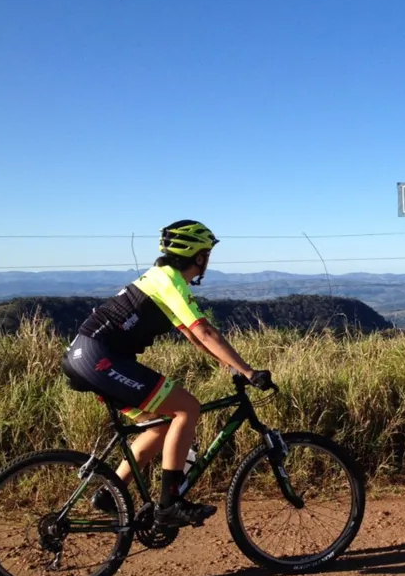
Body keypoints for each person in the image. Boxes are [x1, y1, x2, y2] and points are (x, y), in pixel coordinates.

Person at [61, 220, 272, 527]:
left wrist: (229, 366)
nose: (208, 261)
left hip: (86, 357)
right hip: (100, 359)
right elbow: (206, 331)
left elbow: (191, 333)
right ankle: (169, 503)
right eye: (207, 254)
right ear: (199, 256)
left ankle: (111, 493)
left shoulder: (162, 279)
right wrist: (250, 371)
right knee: (187, 408)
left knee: (160, 425)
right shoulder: (169, 280)